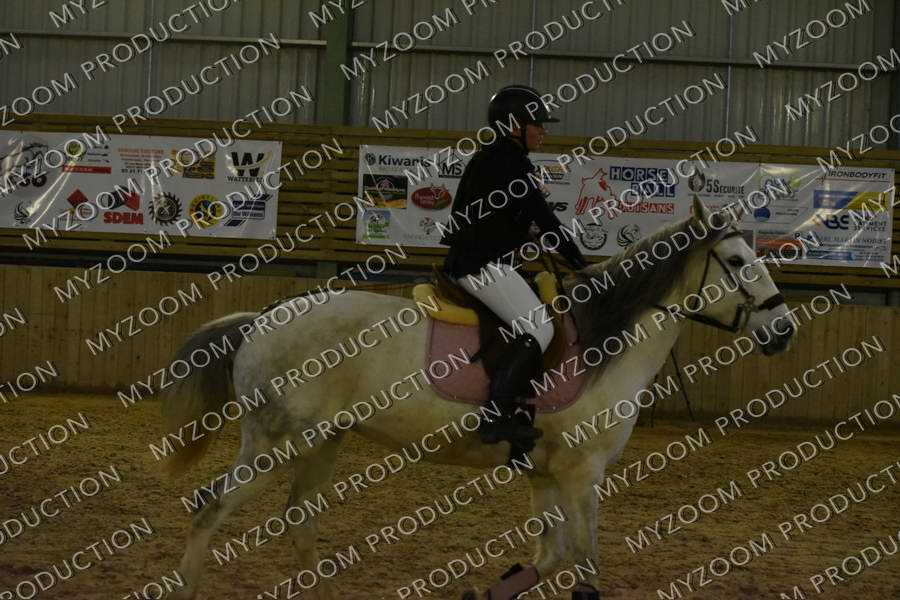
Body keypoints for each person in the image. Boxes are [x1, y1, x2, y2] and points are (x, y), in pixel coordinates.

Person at [439, 84, 588, 448]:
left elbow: (513, 218)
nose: (543, 131)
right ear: (515, 126)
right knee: (540, 328)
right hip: (480, 264)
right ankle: (495, 416)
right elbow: (545, 218)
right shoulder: (509, 161)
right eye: (537, 124)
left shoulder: (496, 158)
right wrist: (579, 263)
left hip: (482, 260)